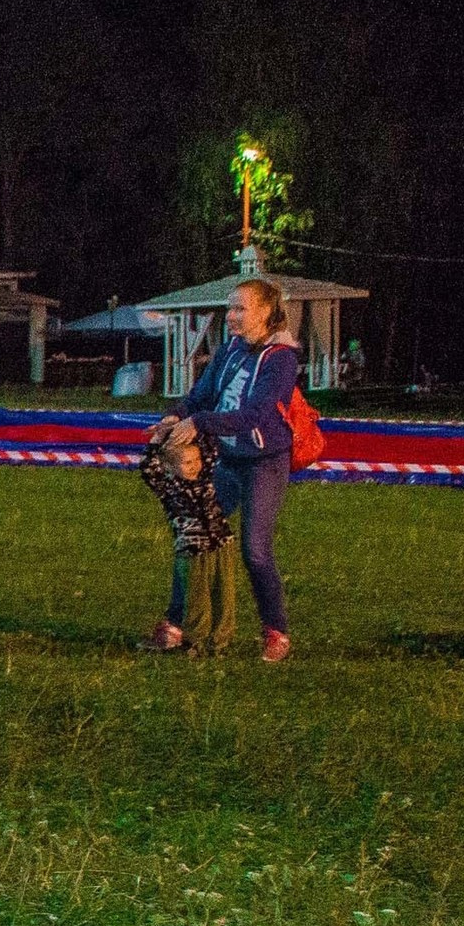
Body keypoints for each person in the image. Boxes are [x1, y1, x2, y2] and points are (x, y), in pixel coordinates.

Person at [148, 277, 297, 663]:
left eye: (240, 308)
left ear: (265, 312)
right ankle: (176, 624)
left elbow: (256, 415)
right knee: (193, 535)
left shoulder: (281, 358)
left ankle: (275, 631)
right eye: (229, 308)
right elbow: (202, 395)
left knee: (255, 550)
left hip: (265, 462)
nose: (230, 315)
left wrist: (200, 423)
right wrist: (175, 417)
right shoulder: (230, 350)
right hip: (228, 460)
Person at [138, 430, 239, 656]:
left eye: (196, 460)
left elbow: (211, 451)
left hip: (222, 543)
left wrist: (196, 427)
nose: (193, 466)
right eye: (186, 463)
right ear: (170, 467)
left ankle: (220, 640)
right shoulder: (168, 488)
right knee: (196, 596)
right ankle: (195, 639)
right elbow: (147, 467)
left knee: (224, 594)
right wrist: (157, 439)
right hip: (192, 550)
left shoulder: (207, 478)